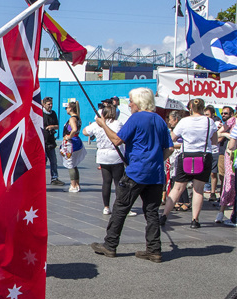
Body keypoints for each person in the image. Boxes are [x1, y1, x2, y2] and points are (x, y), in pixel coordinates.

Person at [90, 88, 173, 263]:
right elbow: (169, 148)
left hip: (137, 172)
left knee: (121, 207)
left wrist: (103, 124)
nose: (129, 104)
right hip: (156, 174)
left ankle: (110, 245)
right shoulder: (159, 120)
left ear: (139, 102)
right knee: (151, 212)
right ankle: (154, 250)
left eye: (131, 101)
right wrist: (156, 160)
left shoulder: (136, 118)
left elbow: (117, 140)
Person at [162, 98, 218, 229]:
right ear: (203, 108)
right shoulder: (209, 121)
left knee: (178, 188)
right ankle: (195, 220)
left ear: (190, 108)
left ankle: (164, 215)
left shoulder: (184, 121)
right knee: (198, 190)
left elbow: (172, 138)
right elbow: (214, 141)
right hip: (204, 156)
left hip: (186, 156)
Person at [82, 105, 127, 215]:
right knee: (118, 182)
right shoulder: (117, 123)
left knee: (106, 182)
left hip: (103, 155)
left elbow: (85, 132)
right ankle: (119, 204)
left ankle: (106, 207)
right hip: (115, 155)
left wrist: (96, 125)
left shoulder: (97, 124)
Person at [216, 107, 236, 226]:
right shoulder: (232, 121)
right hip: (230, 154)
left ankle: (234, 213)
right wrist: (228, 135)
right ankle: (221, 212)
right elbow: (219, 133)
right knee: (229, 182)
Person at [61, 100, 86, 192]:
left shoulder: (72, 119)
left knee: (70, 164)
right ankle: (77, 184)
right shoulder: (78, 118)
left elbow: (74, 129)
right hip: (76, 141)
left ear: (70, 108)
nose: (66, 109)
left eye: (67, 108)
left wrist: (69, 136)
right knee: (74, 164)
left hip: (72, 142)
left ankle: (73, 185)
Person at [42, 97, 64, 186]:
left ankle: (54, 178)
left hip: (51, 142)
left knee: (53, 161)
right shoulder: (40, 113)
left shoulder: (53, 113)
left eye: (51, 104)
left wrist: (52, 127)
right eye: (48, 104)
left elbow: (57, 126)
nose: (50, 106)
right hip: (43, 142)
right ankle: (41, 179)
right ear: (44, 104)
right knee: (43, 161)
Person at [205, 105, 221, 200]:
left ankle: (213, 192)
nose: (205, 116)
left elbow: (218, 138)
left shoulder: (217, 124)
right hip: (205, 151)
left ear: (213, 115)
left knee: (213, 173)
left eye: (207, 114)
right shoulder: (202, 123)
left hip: (214, 150)